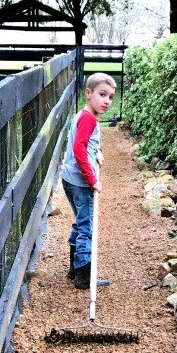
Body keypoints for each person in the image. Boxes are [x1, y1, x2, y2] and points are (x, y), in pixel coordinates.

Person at [61, 72, 116, 289]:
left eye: (110, 97)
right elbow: (79, 149)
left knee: (79, 221)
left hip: (70, 179)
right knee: (87, 227)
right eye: (102, 94)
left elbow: (86, 144)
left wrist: (98, 151)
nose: (107, 101)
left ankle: (74, 268)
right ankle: (84, 275)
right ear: (88, 93)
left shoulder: (83, 116)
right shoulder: (88, 118)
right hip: (81, 183)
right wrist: (92, 179)